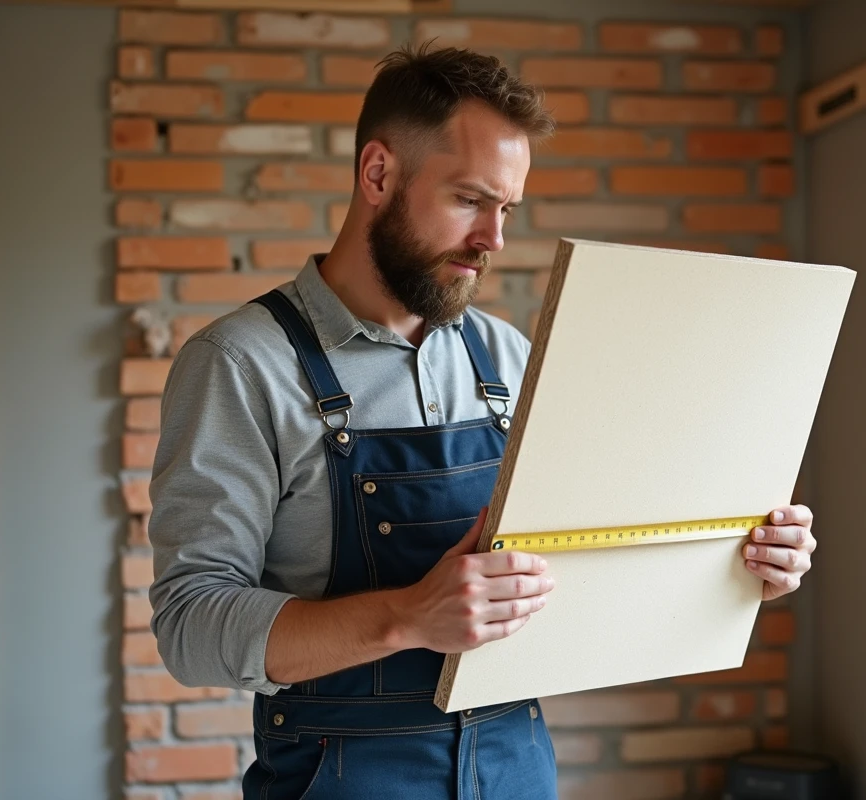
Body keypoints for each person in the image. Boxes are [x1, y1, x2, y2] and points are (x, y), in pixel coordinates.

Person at [147, 42, 817, 800]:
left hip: (516, 763)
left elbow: (586, 557)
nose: (493, 240)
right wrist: (405, 617)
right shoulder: (240, 364)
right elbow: (191, 625)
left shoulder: (507, 355)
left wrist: (731, 570)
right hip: (342, 777)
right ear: (378, 174)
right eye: (469, 199)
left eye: (506, 209)